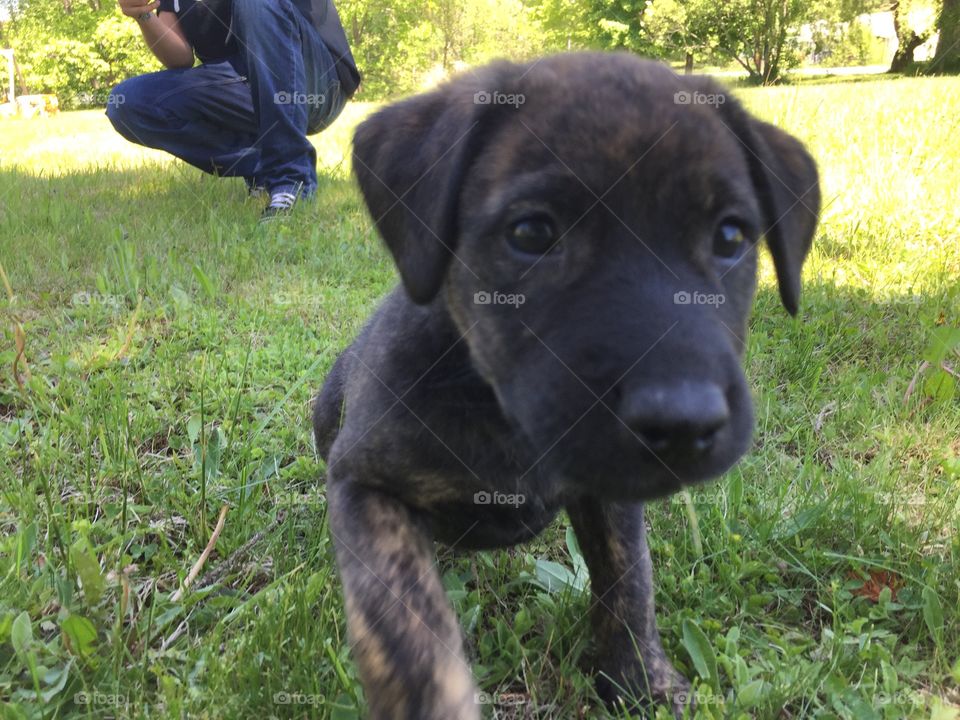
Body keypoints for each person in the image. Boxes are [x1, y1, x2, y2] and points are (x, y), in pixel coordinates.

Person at [107, 0, 360, 221]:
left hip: (317, 83)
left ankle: (289, 177)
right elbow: (180, 58)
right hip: (244, 88)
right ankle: (260, 165)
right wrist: (144, 15)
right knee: (128, 102)